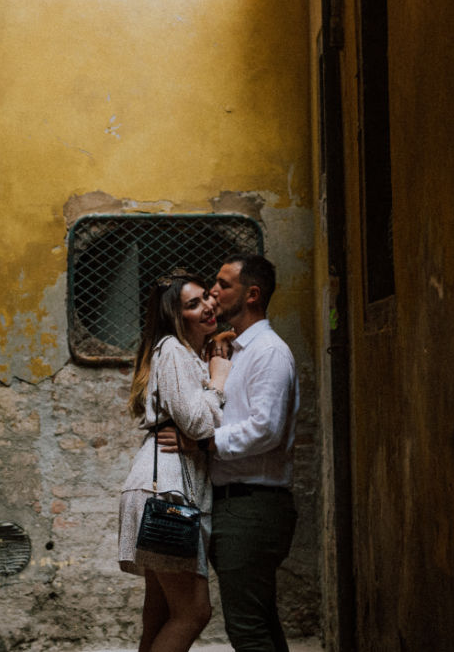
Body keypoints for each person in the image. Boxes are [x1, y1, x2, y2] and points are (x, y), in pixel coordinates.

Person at [160, 253, 299, 652]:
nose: (214, 293)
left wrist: (201, 443)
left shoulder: (269, 352)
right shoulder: (234, 348)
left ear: (252, 294)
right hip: (236, 503)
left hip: (253, 504)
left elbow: (265, 430)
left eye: (223, 285)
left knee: (247, 627)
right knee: (260, 620)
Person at [118, 271, 233, 652]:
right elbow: (198, 422)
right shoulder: (172, 351)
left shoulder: (185, 354)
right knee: (193, 613)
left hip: (160, 485)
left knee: (161, 610)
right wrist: (218, 380)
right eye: (193, 304)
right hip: (166, 490)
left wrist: (213, 354)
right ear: (175, 316)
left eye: (206, 298)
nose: (208, 306)